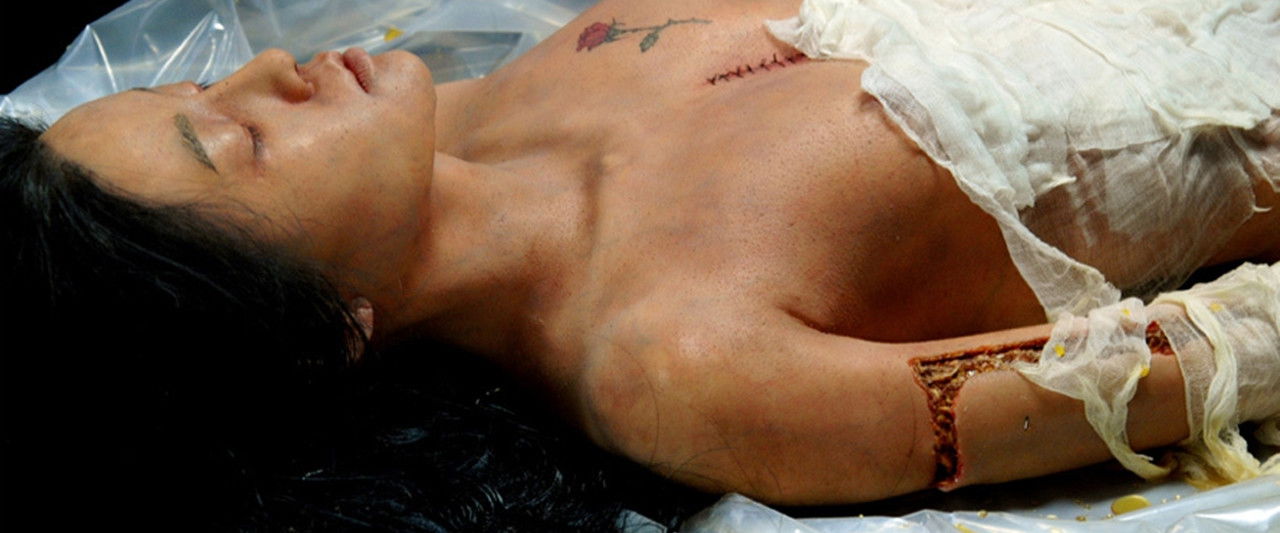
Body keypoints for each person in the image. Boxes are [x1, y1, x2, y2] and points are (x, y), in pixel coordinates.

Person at [3, 0, 1279, 528]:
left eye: (203, 88)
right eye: (235, 142)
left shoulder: (514, 84)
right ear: (330, 323)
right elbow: (1206, 359)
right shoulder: (673, 363)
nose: (268, 71)